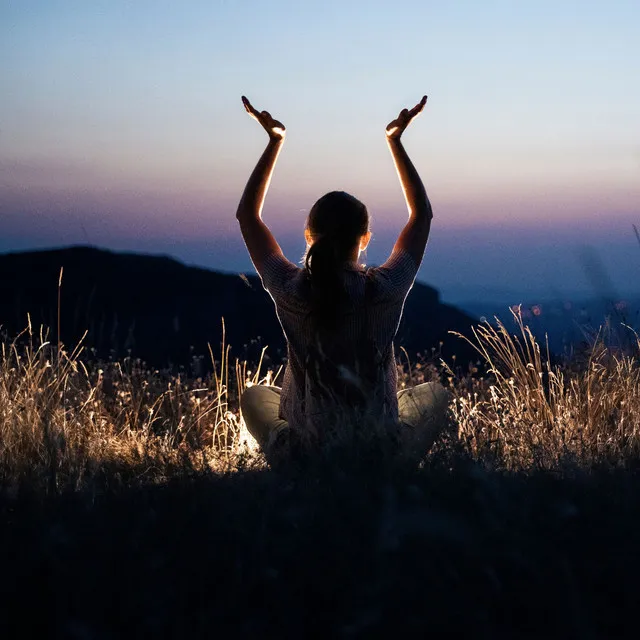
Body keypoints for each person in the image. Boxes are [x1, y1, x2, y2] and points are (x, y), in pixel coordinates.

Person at [236, 94, 450, 464]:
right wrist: (395, 142)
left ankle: (287, 455)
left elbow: (247, 217)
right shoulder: (386, 287)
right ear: (365, 239)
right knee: (435, 396)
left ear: (309, 237)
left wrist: (274, 142)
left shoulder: (291, 289)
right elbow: (422, 216)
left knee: (255, 397)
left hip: (309, 454)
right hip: (378, 452)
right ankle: (395, 464)